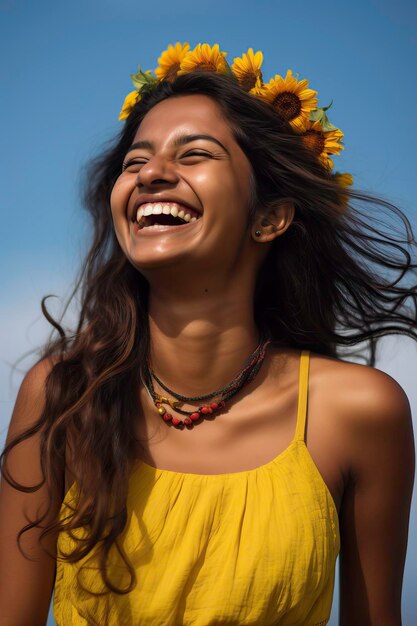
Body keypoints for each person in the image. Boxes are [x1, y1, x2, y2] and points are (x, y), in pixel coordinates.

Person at [0, 42, 415, 626]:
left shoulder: (359, 413)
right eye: (133, 163)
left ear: (270, 217)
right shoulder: (66, 394)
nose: (152, 175)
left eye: (194, 154)